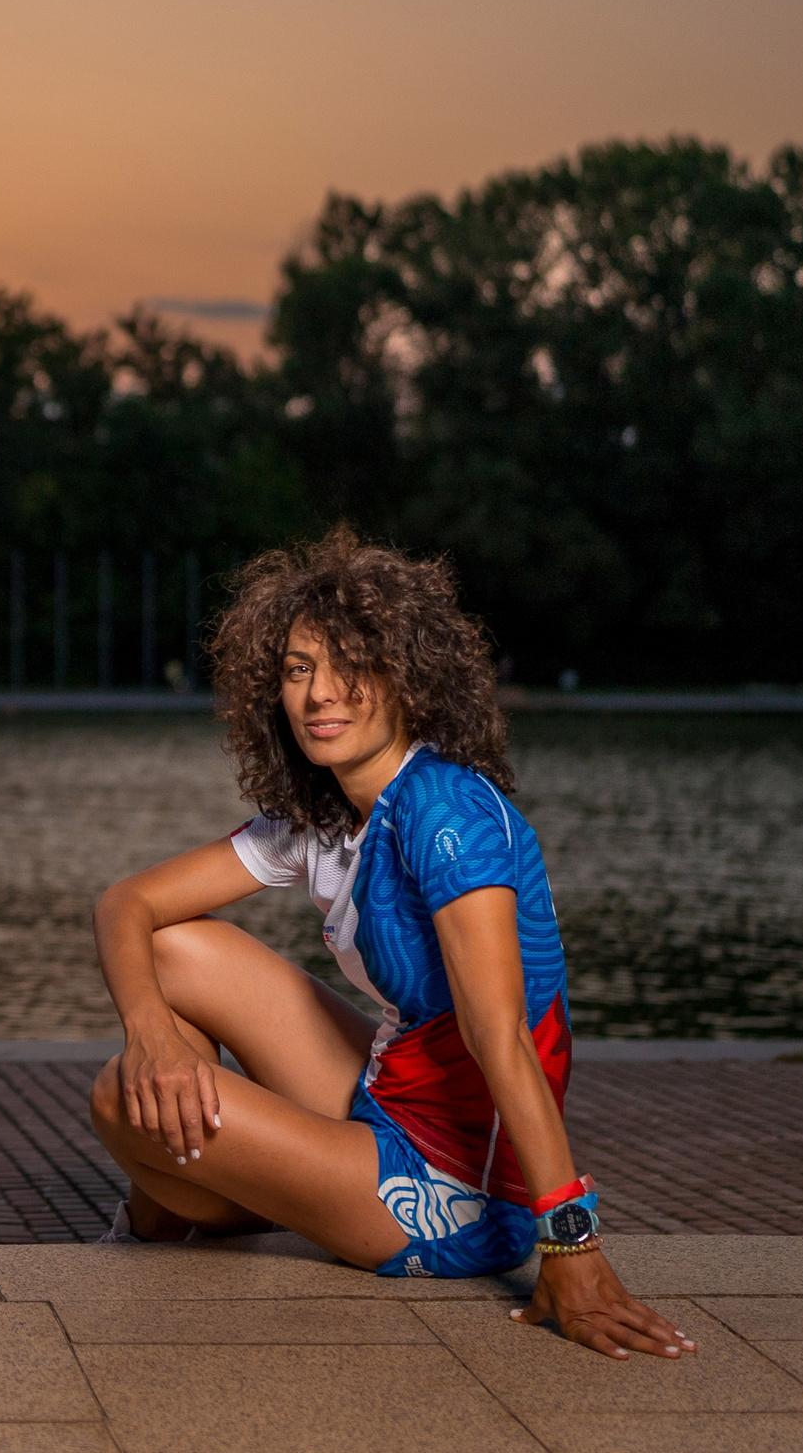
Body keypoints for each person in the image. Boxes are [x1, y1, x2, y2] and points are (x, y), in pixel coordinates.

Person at [87, 530, 694, 1361]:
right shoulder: (327, 816)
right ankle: (216, 1191)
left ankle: (183, 1210)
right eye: (299, 668)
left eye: (351, 665)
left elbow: (502, 1036)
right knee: (171, 956)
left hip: (453, 1187)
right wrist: (151, 1032)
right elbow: (126, 902)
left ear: (410, 677)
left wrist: (573, 1242)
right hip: (392, 1092)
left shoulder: (445, 814)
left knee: (121, 1103)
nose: (320, 693)